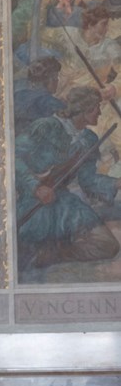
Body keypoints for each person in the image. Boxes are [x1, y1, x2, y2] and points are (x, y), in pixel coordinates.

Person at [16, 86, 121, 270]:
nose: (100, 111)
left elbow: (88, 180)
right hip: (34, 200)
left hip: (64, 201)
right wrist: (35, 187)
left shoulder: (89, 139)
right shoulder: (46, 126)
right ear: (85, 108)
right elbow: (12, 157)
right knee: (23, 247)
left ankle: (52, 254)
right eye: (97, 107)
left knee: (107, 245)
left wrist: (117, 183)